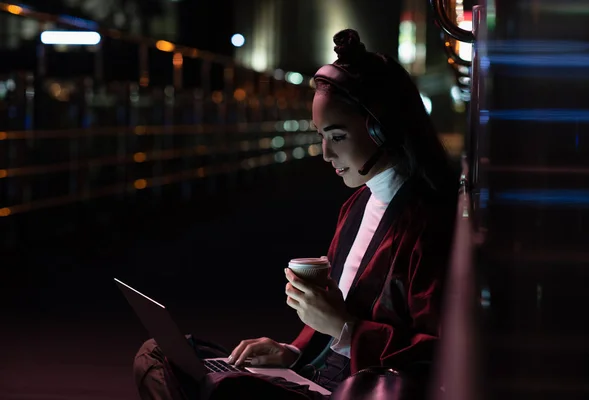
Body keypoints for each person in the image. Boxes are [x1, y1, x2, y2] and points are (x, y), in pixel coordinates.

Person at [133, 29, 457, 400]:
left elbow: (440, 355)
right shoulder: (358, 204)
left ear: (382, 130)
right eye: (320, 136)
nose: (325, 154)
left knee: (213, 386)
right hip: (318, 372)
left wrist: (346, 327)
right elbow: (335, 324)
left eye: (336, 137)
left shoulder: (428, 222)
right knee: (158, 353)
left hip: (350, 388)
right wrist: (292, 351)